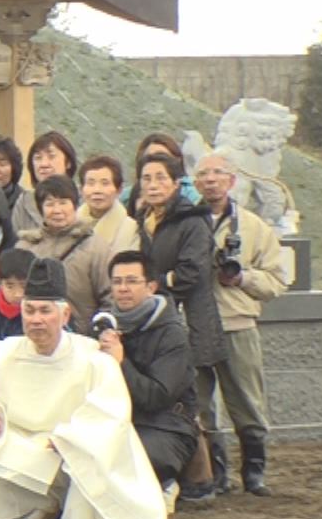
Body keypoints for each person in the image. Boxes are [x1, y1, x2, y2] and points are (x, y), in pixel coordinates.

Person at [0, 274, 168, 519]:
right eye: (29, 311)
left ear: (64, 315)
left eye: (45, 311)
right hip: (16, 443)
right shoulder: (0, 354)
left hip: (63, 446)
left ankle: (53, 505)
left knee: (83, 458)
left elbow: (110, 414)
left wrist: (69, 437)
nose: (36, 319)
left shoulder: (94, 360)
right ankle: (37, 506)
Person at [194, 153, 287, 497]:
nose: (211, 180)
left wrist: (242, 277)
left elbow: (277, 281)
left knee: (247, 401)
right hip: (196, 324)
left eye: (219, 173)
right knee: (201, 406)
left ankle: (254, 470)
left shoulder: (253, 227)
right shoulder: (187, 222)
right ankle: (216, 472)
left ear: (232, 181)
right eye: (203, 174)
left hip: (238, 322)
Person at [133, 153, 227, 435]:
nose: (153, 185)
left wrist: (150, 285)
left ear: (176, 183)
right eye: (146, 178)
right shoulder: (143, 221)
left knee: (198, 407)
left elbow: (190, 274)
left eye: (161, 178)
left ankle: (215, 473)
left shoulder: (193, 220)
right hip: (156, 324)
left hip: (191, 323)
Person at [102, 250, 200, 496]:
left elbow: (156, 396)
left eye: (132, 281)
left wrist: (120, 361)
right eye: (117, 282)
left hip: (166, 427)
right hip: (119, 422)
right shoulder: (104, 326)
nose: (123, 288)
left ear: (151, 287)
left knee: (128, 460)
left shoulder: (172, 334)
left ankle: (166, 486)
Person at [17, 175, 111, 333]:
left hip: (82, 340)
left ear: (75, 205)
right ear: (40, 209)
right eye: (50, 204)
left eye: (63, 202)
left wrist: (99, 332)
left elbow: (109, 297)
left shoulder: (95, 247)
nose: (57, 210)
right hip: (34, 338)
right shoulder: (25, 247)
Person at [79, 155, 142, 254]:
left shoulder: (131, 229)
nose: (97, 190)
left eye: (105, 183)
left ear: (119, 189)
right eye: (91, 183)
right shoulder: (69, 224)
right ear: (81, 189)